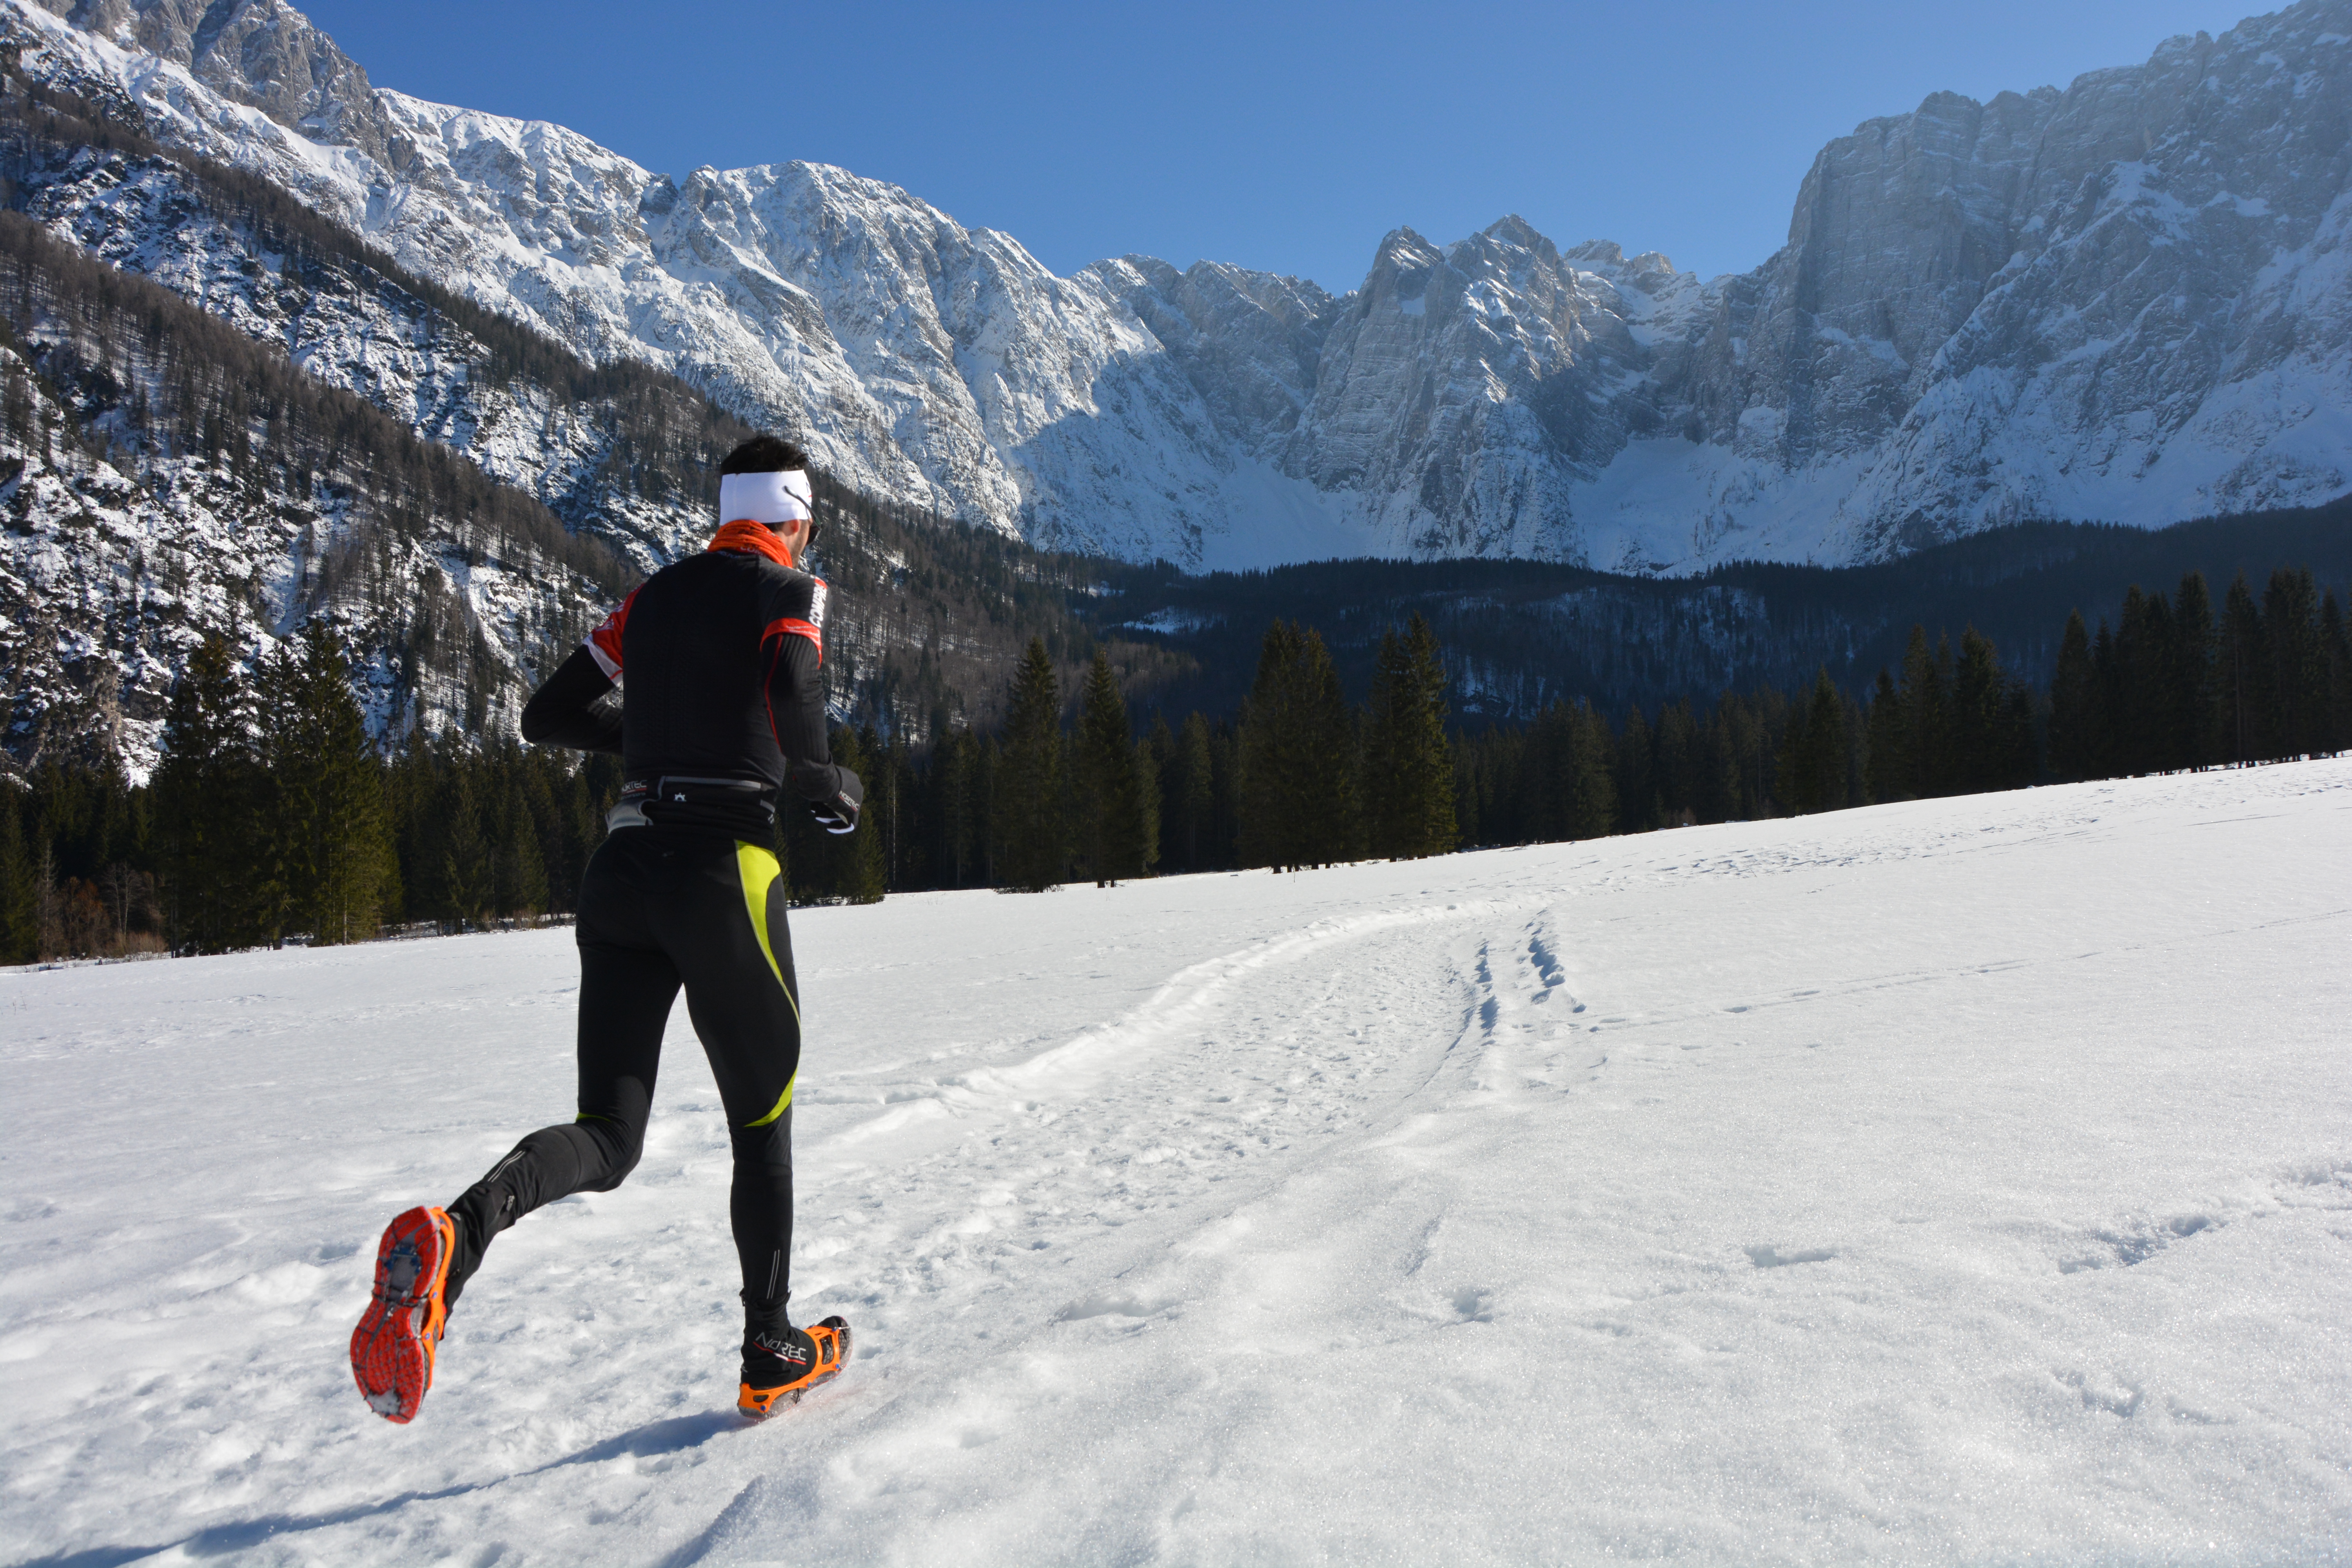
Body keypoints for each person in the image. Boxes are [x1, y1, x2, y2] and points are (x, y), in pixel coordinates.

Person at [350, 436, 864, 1425]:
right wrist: (820, 779)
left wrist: (653, 733)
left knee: (607, 1134)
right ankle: (770, 1343)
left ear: (725, 510)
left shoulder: (653, 598)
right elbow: (796, 684)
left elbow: (549, 713)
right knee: (762, 1128)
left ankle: (459, 1235)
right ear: (795, 515)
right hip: (724, 877)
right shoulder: (791, 589)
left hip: (622, 874)